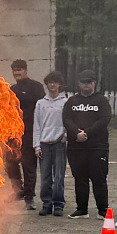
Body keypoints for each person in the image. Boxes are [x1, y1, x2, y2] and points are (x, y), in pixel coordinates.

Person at [62, 71, 112, 221]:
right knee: (80, 179)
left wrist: (87, 133)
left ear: (93, 83)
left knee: (99, 179)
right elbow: (66, 119)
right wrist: (76, 133)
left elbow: (104, 120)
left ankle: (102, 210)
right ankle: (82, 209)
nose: (86, 85)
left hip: (97, 147)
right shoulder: (72, 101)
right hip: (76, 148)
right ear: (79, 84)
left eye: (89, 82)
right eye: (83, 82)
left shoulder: (101, 101)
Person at [7, 60, 46, 210]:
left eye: (19, 70)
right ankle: (18, 191)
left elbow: (42, 108)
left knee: (28, 164)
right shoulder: (12, 89)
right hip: (14, 133)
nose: (17, 73)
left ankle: (29, 197)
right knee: (11, 163)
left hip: (30, 131)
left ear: (25, 70)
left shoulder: (36, 87)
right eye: (14, 70)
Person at [32, 71, 68, 217]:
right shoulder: (41, 103)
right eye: (50, 82)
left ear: (60, 84)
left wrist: (65, 137)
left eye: (55, 82)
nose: (52, 85)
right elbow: (37, 125)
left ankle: (58, 204)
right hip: (44, 144)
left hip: (59, 143)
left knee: (59, 175)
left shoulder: (65, 102)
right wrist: (37, 145)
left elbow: (68, 122)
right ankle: (46, 203)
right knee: (45, 176)